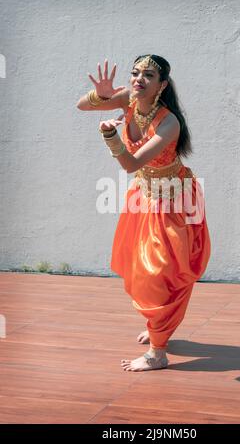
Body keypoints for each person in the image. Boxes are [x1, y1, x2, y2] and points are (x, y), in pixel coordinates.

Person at [77, 55, 211, 372]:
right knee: (141, 268)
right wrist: (103, 94)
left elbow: (131, 163)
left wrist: (110, 136)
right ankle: (157, 327)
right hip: (144, 195)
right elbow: (82, 105)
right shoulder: (128, 97)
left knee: (164, 273)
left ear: (162, 84)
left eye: (148, 75)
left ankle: (158, 352)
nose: (139, 78)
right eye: (135, 72)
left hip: (174, 200)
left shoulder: (169, 122)